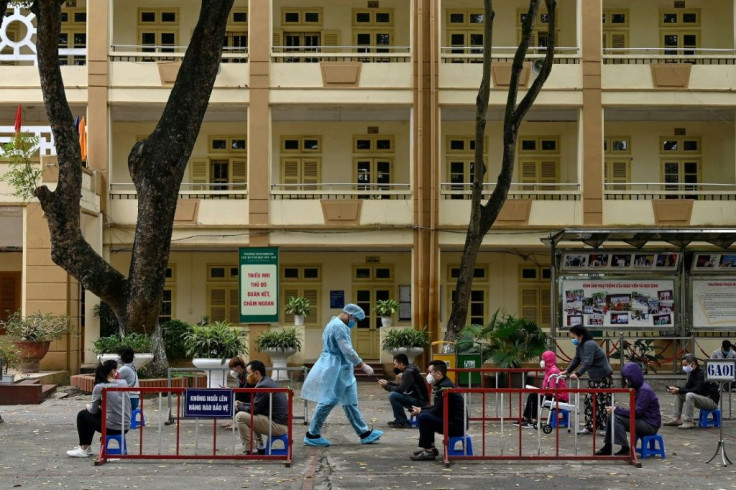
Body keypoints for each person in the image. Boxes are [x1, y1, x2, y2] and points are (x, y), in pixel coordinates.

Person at [301, 303, 383, 446]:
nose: (355, 323)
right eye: (355, 320)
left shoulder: (335, 323)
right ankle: (312, 434)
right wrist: (362, 365)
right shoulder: (338, 326)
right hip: (336, 368)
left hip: (342, 368)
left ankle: (363, 433)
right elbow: (347, 349)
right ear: (350, 315)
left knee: (350, 401)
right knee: (328, 399)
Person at [66, 359, 131, 458]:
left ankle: (84, 448)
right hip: (125, 425)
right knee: (90, 415)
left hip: (111, 427)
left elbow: (93, 410)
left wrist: (87, 406)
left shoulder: (100, 387)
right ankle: (86, 447)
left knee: (83, 415)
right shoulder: (123, 383)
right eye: (116, 370)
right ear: (112, 371)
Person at [595, 362, 661, 456]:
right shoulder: (638, 388)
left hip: (650, 424)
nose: (626, 381)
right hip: (643, 420)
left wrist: (617, 409)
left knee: (616, 418)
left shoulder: (644, 390)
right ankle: (608, 446)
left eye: (627, 378)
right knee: (611, 416)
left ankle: (625, 448)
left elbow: (637, 412)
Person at [408, 360, 465, 461]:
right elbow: (438, 406)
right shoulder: (443, 384)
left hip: (455, 426)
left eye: (430, 372)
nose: (428, 375)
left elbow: (437, 410)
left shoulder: (445, 387)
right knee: (424, 415)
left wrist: (421, 412)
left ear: (438, 373)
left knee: (423, 417)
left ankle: (428, 451)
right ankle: (431, 448)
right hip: (450, 421)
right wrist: (421, 409)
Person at [564, 325, 613, 434]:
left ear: (581, 335)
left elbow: (587, 362)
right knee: (590, 402)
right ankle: (590, 426)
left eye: (574, 337)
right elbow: (576, 359)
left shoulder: (589, 344)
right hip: (593, 378)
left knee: (603, 402)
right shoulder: (580, 346)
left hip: (603, 377)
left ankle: (606, 428)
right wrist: (567, 371)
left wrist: (577, 374)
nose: (573, 340)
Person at [235, 360, 289, 455]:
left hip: (278, 426)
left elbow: (254, 409)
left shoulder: (263, 386)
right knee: (250, 416)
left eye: (248, 373)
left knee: (240, 416)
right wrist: (243, 403)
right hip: (280, 423)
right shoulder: (266, 381)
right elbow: (257, 405)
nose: (247, 376)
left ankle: (250, 449)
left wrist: (239, 407)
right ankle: (260, 446)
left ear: (256, 373)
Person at [663, 354, 720, 429]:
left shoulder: (702, 373)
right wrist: (676, 388)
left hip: (711, 401)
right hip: (702, 398)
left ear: (693, 364)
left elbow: (697, 390)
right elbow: (686, 387)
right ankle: (676, 419)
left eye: (685, 365)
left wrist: (679, 390)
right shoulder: (692, 373)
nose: (684, 367)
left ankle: (689, 421)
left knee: (689, 395)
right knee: (680, 394)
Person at [515, 350, 569, 428]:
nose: (542, 361)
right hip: (553, 396)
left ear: (548, 359)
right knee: (533, 395)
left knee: (534, 396)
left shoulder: (553, 371)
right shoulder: (549, 370)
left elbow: (552, 389)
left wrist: (541, 392)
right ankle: (528, 419)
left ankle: (531, 420)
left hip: (558, 398)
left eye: (543, 359)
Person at [378, 353, 429, 428]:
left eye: (395, 364)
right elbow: (402, 386)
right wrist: (388, 383)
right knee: (394, 395)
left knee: (393, 395)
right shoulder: (410, 370)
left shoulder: (408, 372)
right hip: (417, 398)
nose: (394, 366)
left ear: (401, 364)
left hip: (420, 402)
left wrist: (386, 386)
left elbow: (400, 390)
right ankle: (399, 419)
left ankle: (402, 421)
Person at [223, 356, 256, 429]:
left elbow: (245, 390)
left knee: (236, 400)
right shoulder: (241, 375)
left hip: (250, 400)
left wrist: (232, 390)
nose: (232, 371)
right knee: (234, 398)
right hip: (247, 397)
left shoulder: (247, 375)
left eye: (232, 369)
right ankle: (234, 421)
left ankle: (237, 423)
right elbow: (241, 389)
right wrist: (230, 389)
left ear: (238, 367)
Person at [116, 346, 140, 411]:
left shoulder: (124, 369)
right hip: (134, 398)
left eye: (119, 355)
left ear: (123, 356)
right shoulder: (132, 367)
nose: (118, 357)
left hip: (129, 398)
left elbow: (112, 380)